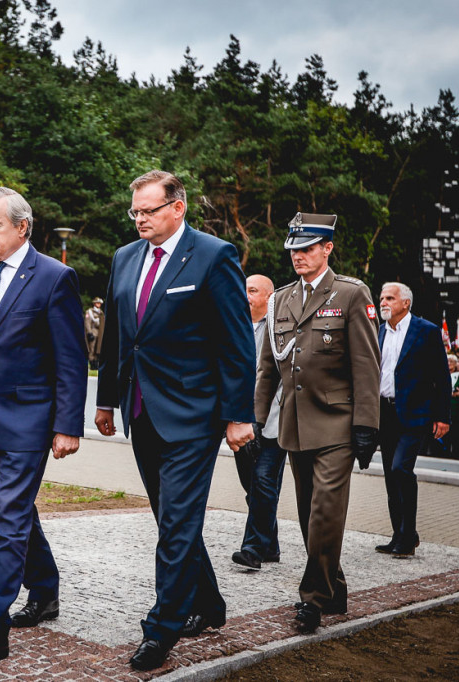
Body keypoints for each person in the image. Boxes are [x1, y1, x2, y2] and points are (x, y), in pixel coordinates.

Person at [94, 170, 256, 671]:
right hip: (140, 410)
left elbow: (236, 343)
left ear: (178, 207)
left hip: (193, 415)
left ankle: (162, 627)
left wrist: (238, 416)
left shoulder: (214, 255)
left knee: (178, 524)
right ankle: (209, 605)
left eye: (148, 210)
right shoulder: (124, 257)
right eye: (134, 212)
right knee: (172, 518)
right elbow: (117, 340)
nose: (139, 219)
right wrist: (104, 402)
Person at [0, 187, 87, 665]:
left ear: (22, 227)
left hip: (30, 420)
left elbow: (71, 360)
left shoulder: (54, 277)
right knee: (16, 513)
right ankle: (45, 591)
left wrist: (68, 426)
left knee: (5, 521)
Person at [255, 212, 380, 635]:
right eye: (294, 250)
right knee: (311, 514)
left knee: (325, 510)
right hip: (294, 425)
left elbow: (366, 365)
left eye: (307, 249)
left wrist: (367, 424)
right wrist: (256, 419)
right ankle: (335, 588)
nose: (298, 257)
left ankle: (312, 598)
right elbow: (268, 368)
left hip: (338, 425)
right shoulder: (282, 299)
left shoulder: (349, 294)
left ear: (327, 248)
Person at [374, 282, 451, 557]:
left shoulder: (426, 330)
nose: (384, 302)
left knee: (400, 470)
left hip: (414, 415)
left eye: (390, 298)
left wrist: (443, 416)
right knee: (390, 478)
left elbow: (442, 376)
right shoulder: (381, 330)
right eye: (382, 298)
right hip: (385, 413)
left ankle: (408, 535)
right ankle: (401, 535)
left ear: (405, 303)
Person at [232, 274, 286, 571]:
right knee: (252, 486)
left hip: (275, 421)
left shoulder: (281, 328)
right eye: (244, 289)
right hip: (241, 423)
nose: (246, 295)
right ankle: (271, 545)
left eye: (252, 290)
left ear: (269, 296)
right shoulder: (235, 326)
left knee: (264, 480)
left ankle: (252, 549)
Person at [84, 297, 105, 369]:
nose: (99, 304)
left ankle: (96, 363)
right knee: (92, 349)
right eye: (97, 303)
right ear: (94, 303)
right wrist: (89, 333)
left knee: (97, 349)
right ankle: (92, 363)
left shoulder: (101, 313)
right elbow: (87, 323)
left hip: (99, 334)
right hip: (93, 332)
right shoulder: (90, 312)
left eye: (100, 303)